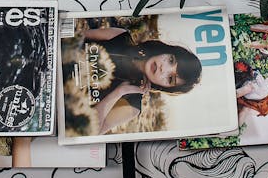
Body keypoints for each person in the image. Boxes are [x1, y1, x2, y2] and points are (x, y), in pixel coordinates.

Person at [72, 25, 203, 135]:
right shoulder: (121, 37)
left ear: (166, 87)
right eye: (171, 60)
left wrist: (119, 92)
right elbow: (73, 37)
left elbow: (91, 131)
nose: (163, 68)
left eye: (170, 78)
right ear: (167, 51)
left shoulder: (132, 105)